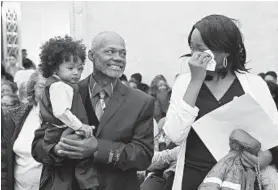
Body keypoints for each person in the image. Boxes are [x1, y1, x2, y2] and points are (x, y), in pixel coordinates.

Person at [162, 14, 278, 190]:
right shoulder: (185, 82)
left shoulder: (254, 84)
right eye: (192, 48)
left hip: (240, 179)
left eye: (201, 48)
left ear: (225, 50)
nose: (194, 55)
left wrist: (263, 158)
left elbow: (273, 135)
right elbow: (174, 135)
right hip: (193, 178)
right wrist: (195, 81)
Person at [32, 31, 155, 190]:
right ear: (91, 55)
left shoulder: (141, 102)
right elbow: (37, 147)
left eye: (123, 53)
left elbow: (143, 156)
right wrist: (58, 149)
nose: (118, 58)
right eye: (110, 51)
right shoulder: (63, 91)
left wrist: (98, 148)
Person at [37, 35, 98, 190]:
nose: (76, 73)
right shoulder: (60, 86)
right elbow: (61, 112)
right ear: (54, 67)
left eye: (79, 69)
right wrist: (80, 126)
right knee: (79, 160)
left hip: (60, 131)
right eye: (70, 68)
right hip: (61, 132)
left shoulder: (58, 84)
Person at [1, 71, 46, 190]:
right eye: (42, 87)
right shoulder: (15, 116)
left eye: (52, 86)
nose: (47, 91)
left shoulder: (64, 119)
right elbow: (4, 160)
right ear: (33, 89)